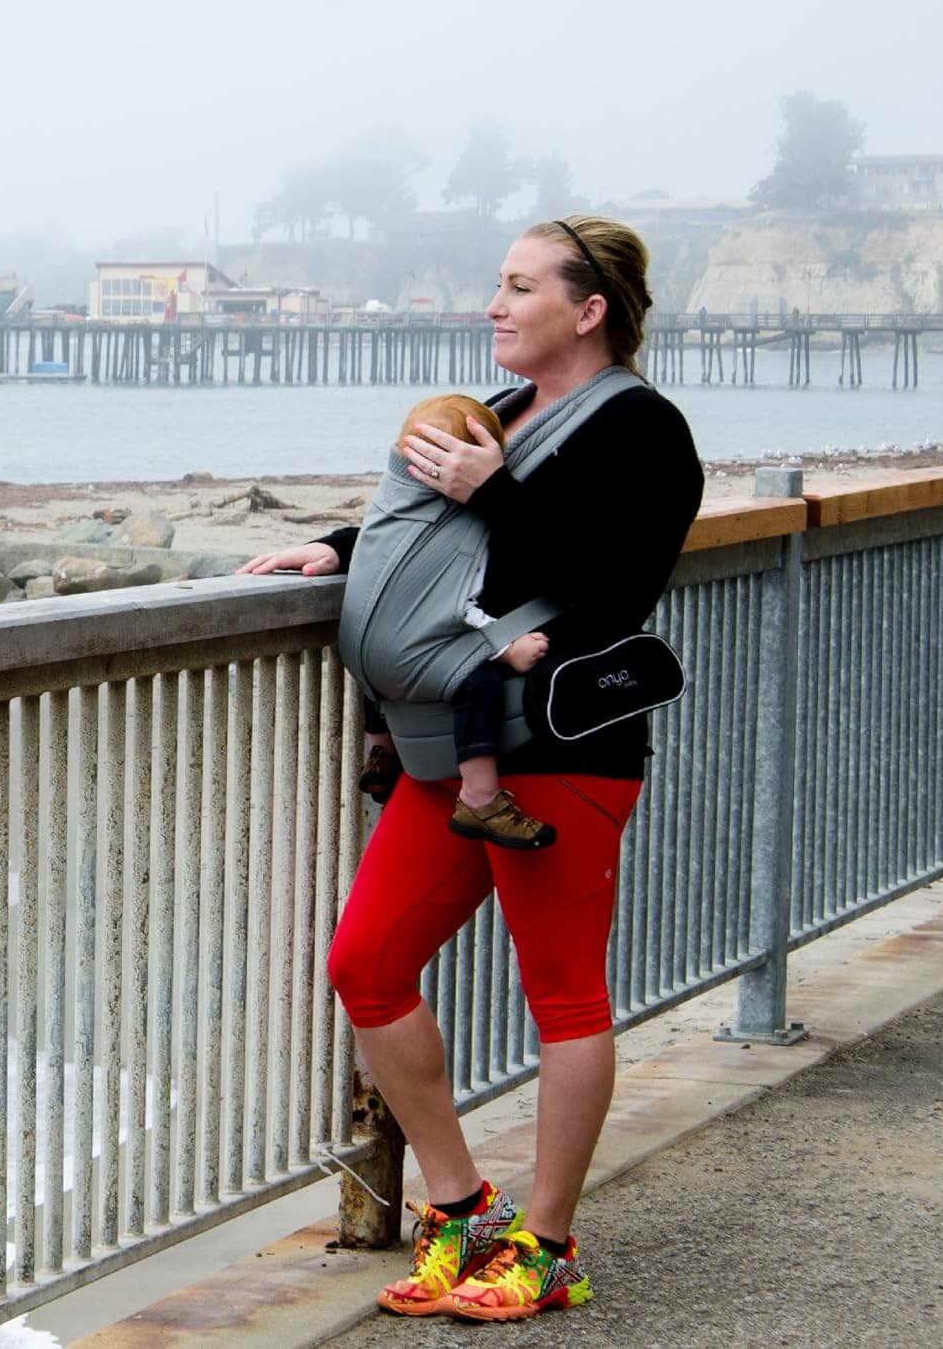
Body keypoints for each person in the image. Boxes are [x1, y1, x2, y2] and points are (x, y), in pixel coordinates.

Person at [237, 216, 704, 1320]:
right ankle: (459, 1209)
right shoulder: (496, 416)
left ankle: (546, 1247)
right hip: (451, 739)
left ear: (587, 311)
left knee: (564, 996)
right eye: (497, 286)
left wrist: (494, 491)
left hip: (563, 743)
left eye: (519, 286)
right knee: (367, 963)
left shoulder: (644, 429)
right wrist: (338, 552)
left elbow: (613, 585)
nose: (493, 305)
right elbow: (430, 537)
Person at [357, 391, 556, 850]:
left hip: (364, 654)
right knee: (476, 680)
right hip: (416, 660)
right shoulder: (462, 533)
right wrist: (506, 647)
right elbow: (460, 601)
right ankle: (480, 795)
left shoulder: (395, 506)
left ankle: (381, 752)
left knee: (379, 663)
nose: (494, 312)